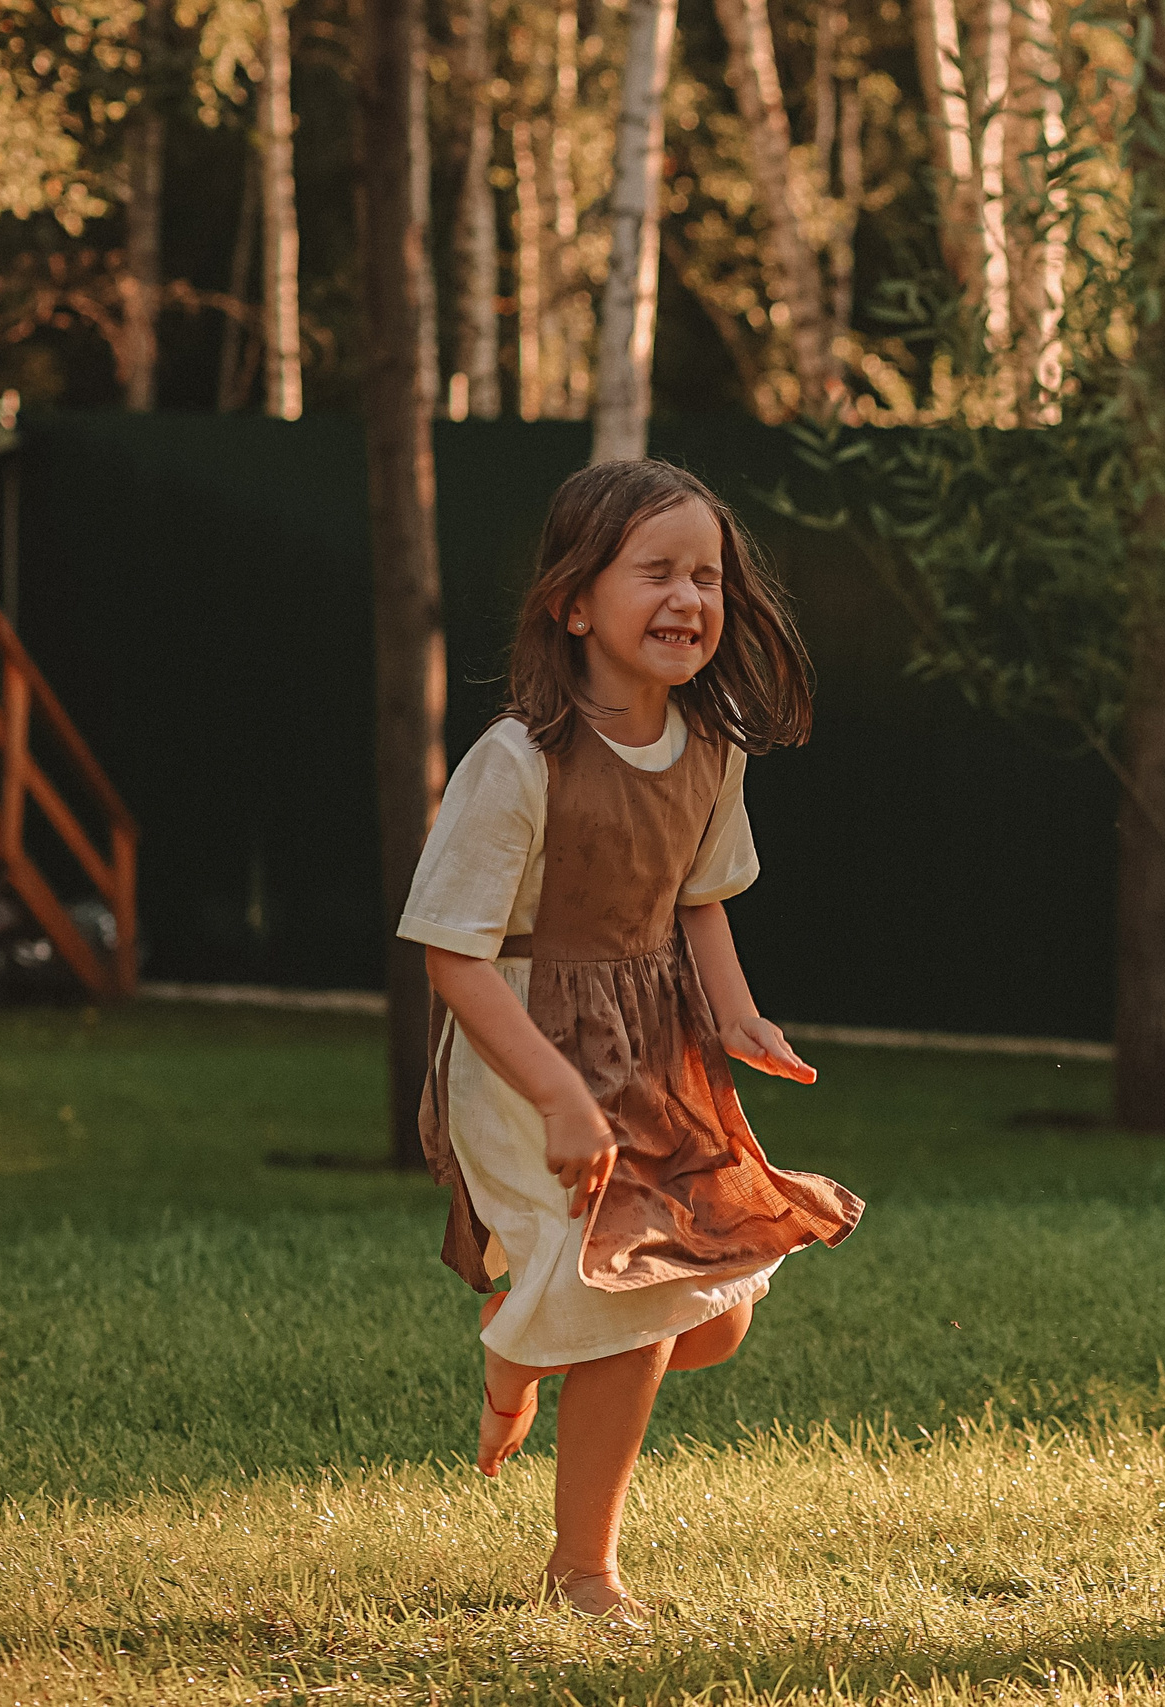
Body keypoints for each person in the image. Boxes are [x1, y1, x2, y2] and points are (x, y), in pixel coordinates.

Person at [397, 459, 862, 1622]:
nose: (689, 598)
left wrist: (737, 1013)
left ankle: (522, 1349)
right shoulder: (517, 761)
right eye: (655, 571)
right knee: (631, 1307)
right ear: (573, 600)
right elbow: (453, 955)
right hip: (526, 1053)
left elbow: (698, 897)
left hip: (653, 1050)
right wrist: (558, 1098)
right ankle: (583, 1571)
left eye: (706, 575)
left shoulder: (711, 747)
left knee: (713, 1313)